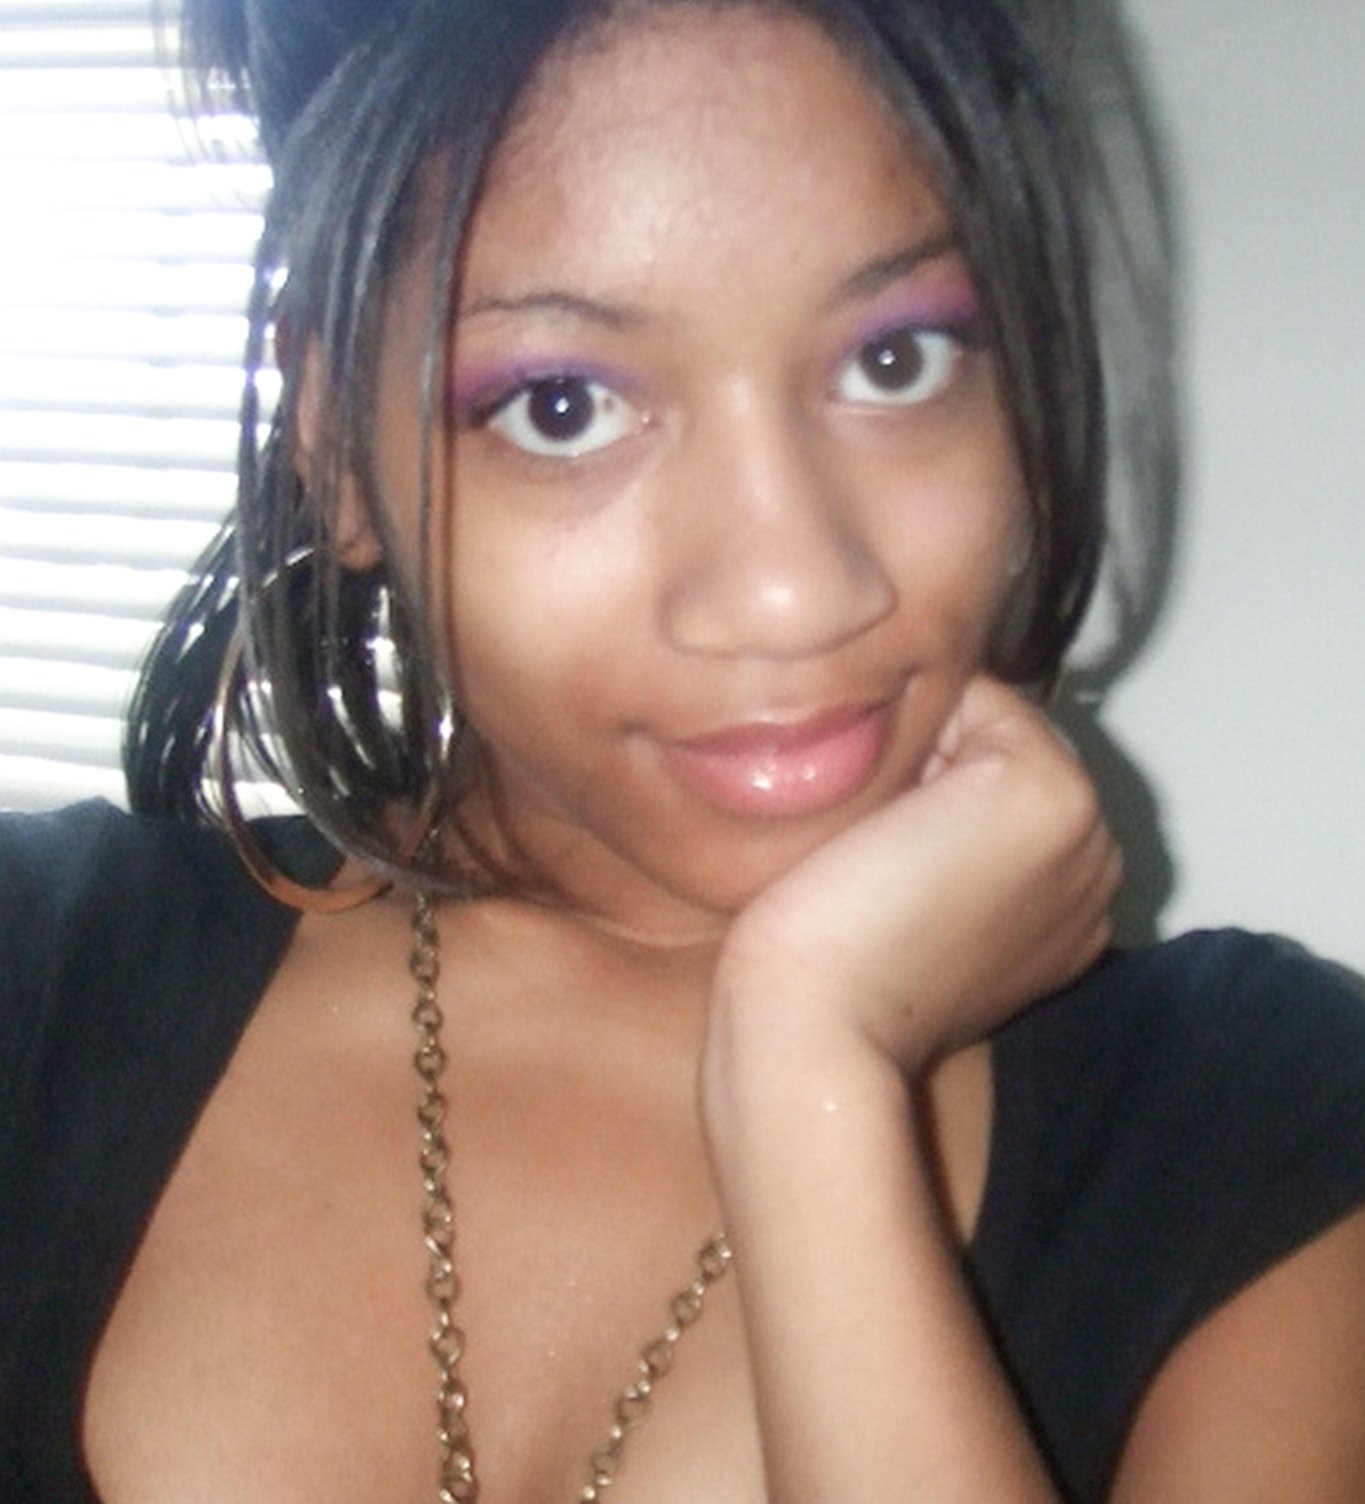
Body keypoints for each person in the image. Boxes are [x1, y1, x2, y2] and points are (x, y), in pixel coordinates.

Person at [4, 0, 1365, 1500]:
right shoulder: (36, 975)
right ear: (332, 443)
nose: (792, 588)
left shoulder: (1264, 1133)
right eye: (563, 406)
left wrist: (811, 1067)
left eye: (897, 359)